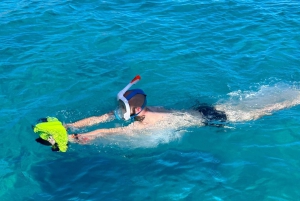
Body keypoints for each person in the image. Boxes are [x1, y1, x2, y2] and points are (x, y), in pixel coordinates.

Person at [66, 75, 300, 144]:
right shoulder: (145, 111)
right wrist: (73, 125)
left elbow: (110, 133)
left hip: (210, 119)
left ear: (134, 109)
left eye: (121, 107)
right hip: (198, 110)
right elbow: (101, 118)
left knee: (263, 110)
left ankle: (294, 99)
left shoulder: (147, 123)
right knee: (248, 103)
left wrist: (79, 138)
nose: (116, 111)